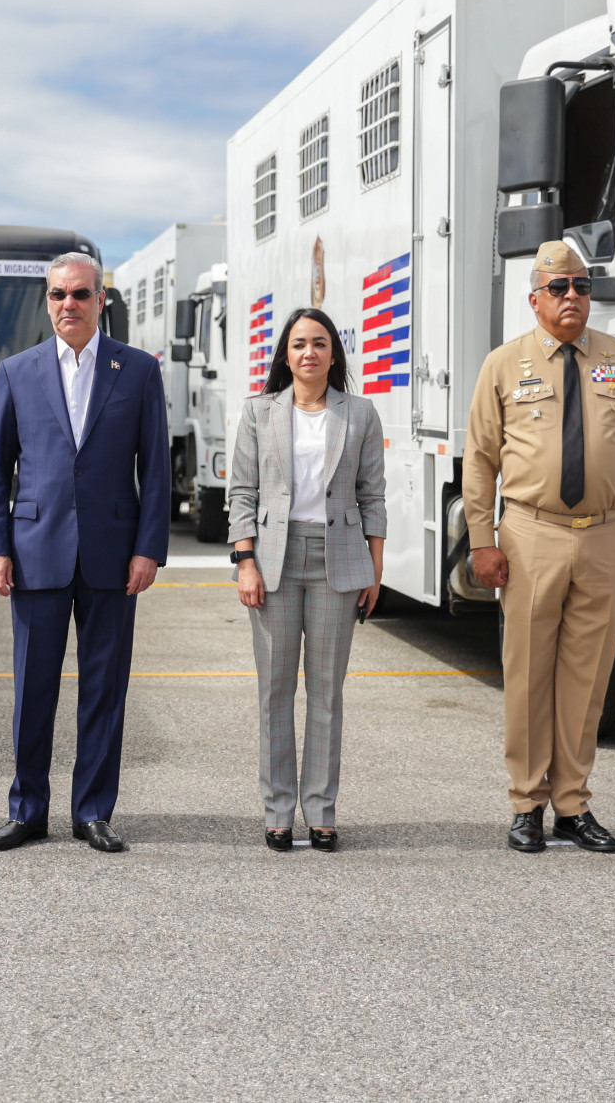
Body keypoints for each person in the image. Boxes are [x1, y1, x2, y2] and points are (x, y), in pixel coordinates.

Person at [464, 241, 615, 855]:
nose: (571, 296)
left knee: (587, 678)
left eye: (581, 285)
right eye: (558, 287)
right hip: (530, 534)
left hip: (601, 536)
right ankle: (527, 803)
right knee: (528, 677)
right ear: (534, 298)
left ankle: (573, 806)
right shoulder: (504, 364)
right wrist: (482, 540)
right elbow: (480, 461)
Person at [0, 251, 169, 853]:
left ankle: (92, 811)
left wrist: (148, 549)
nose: (70, 304)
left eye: (81, 294)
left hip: (114, 556)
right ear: (47, 301)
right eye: (59, 294)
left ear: (100, 300)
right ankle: (27, 810)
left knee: (104, 691)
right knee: (32, 690)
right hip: (36, 552)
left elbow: (156, 470)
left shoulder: (138, 370)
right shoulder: (17, 371)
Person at [227, 309, 386, 852]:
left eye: (319, 343)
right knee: (275, 692)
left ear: (333, 353)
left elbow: (373, 496)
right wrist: (245, 562)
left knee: (326, 694)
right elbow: (241, 493)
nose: (309, 353)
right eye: (299, 344)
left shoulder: (360, 413)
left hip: (336, 560)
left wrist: (374, 570)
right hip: (273, 559)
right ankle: (278, 812)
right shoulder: (259, 412)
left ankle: (321, 812)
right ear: (286, 354)